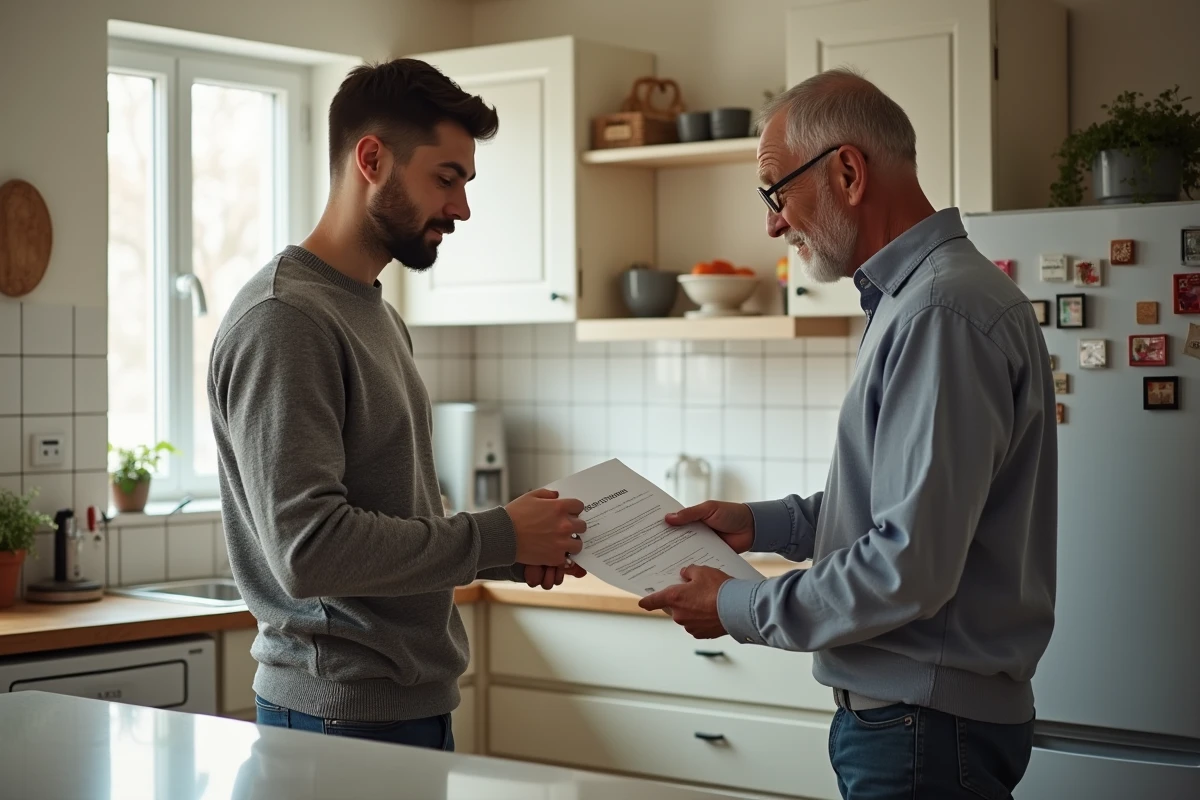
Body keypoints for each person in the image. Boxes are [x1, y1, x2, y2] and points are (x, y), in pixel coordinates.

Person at [639, 68, 1057, 799]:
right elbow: (900, 509)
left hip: (923, 727)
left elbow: (906, 564)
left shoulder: (938, 313)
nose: (773, 222)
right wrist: (759, 523)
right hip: (923, 722)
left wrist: (737, 607)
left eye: (776, 192)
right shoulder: (921, 301)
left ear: (848, 172)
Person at [208, 59, 586, 751]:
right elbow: (310, 550)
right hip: (336, 714)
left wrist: (517, 548)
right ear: (372, 159)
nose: (462, 208)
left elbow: (391, 519)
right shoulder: (285, 318)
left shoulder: (373, 313)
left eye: (466, 184)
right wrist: (497, 535)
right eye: (446, 179)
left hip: (402, 707)